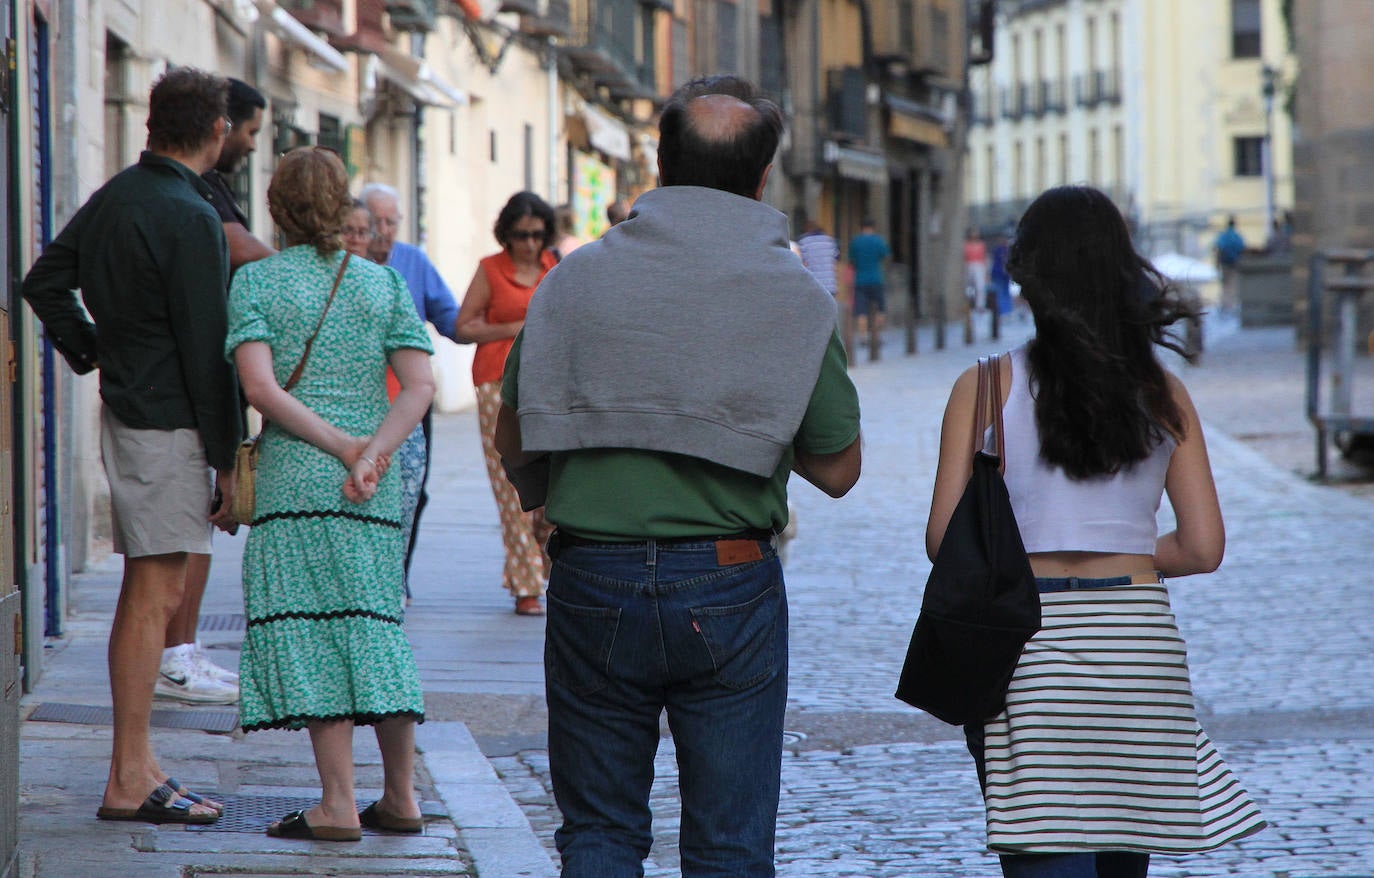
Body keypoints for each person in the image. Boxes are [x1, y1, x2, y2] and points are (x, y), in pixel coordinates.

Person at [496, 75, 862, 876]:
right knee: (729, 845)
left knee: (599, 833)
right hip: (729, 581)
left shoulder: (572, 279)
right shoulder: (796, 298)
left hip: (594, 570)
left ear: (660, 162)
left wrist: (550, 504)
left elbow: (513, 429)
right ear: (762, 178)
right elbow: (838, 468)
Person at [926, 185, 1266, 877]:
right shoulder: (1161, 393)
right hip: (1139, 650)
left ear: (1027, 275)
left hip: (1027, 655)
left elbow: (943, 542)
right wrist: (1133, 554)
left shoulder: (984, 387)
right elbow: (1202, 547)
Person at [23, 67, 240, 824]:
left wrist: (94, 351)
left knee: (152, 593)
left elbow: (46, 279)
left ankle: (139, 763)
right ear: (217, 132)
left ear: (152, 124)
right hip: (168, 421)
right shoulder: (188, 215)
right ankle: (126, 777)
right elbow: (205, 343)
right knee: (155, 597)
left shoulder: (120, 194)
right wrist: (230, 457)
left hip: (135, 409)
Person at [226, 147, 435, 841]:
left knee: (315, 633)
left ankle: (337, 804)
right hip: (371, 491)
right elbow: (422, 385)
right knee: (375, 628)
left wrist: (340, 447)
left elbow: (260, 389)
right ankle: (401, 797)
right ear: (343, 205)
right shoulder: (381, 285)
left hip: (295, 485)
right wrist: (369, 451)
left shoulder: (257, 284)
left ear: (277, 207)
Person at [156, 76, 275, 707]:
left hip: (199, 375)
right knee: (194, 521)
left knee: (198, 522)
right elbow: (236, 247)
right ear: (220, 127)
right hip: (191, 379)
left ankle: (185, 649)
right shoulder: (192, 192)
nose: (251, 143)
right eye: (249, 130)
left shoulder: (207, 187)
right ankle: (176, 656)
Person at [455, 191, 559, 616]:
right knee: (510, 486)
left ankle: (542, 565)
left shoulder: (556, 268)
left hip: (550, 385)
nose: (530, 244)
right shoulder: (490, 269)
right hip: (497, 385)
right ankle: (526, 585)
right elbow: (463, 327)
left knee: (551, 488)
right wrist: (517, 325)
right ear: (506, 233)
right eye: (520, 235)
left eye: (537, 234)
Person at [360, 182, 461, 598]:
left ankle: (396, 578)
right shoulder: (349, 263)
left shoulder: (413, 262)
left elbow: (452, 320)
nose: (383, 230)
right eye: (375, 221)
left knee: (412, 494)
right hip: (364, 401)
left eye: (391, 221)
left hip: (409, 399)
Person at [848, 217, 890, 337]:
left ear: (861, 228)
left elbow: (852, 261)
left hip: (860, 280)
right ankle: (877, 335)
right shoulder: (879, 241)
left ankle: (863, 336)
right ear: (873, 227)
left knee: (861, 310)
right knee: (880, 308)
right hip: (876, 278)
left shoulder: (855, 242)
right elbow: (885, 256)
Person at [797, 217, 839, 297]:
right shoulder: (830, 241)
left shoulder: (804, 242)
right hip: (830, 284)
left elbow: (800, 262)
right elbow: (835, 258)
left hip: (813, 285)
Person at [1213, 215, 1246, 311]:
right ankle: (1233, 306)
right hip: (1235, 264)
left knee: (1225, 286)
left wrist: (1217, 264)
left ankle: (1226, 306)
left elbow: (1219, 249)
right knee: (1234, 285)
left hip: (1225, 264)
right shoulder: (1237, 236)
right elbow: (1242, 250)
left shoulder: (1223, 236)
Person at [963, 226, 988, 314]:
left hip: (979, 265)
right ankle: (968, 303)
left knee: (980, 286)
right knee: (968, 286)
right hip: (969, 265)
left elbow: (983, 257)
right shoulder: (966, 244)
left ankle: (980, 305)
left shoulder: (981, 245)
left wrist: (985, 270)